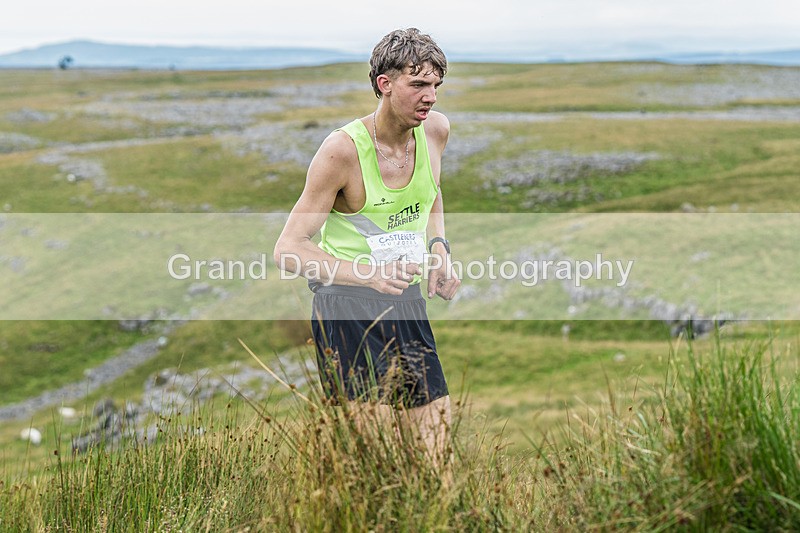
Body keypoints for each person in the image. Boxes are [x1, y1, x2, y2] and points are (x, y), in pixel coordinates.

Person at [273, 27, 460, 463]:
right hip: (348, 313)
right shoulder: (342, 151)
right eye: (418, 84)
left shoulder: (435, 132)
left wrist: (439, 251)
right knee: (376, 460)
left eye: (436, 85)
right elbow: (289, 248)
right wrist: (368, 274)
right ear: (385, 84)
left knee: (436, 452)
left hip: (407, 303)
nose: (430, 96)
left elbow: (432, 194)